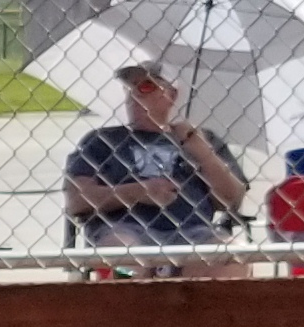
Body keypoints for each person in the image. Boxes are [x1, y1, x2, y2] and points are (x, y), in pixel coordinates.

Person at [64, 61, 251, 275]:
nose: (135, 94)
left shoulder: (200, 140)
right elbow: (76, 201)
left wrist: (202, 152)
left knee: (233, 255)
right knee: (122, 253)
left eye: (146, 86)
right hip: (125, 229)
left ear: (172, 94)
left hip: (194, 231)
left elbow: (232, 200)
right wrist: (139, 191)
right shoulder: (102, 140)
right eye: (129, 87)